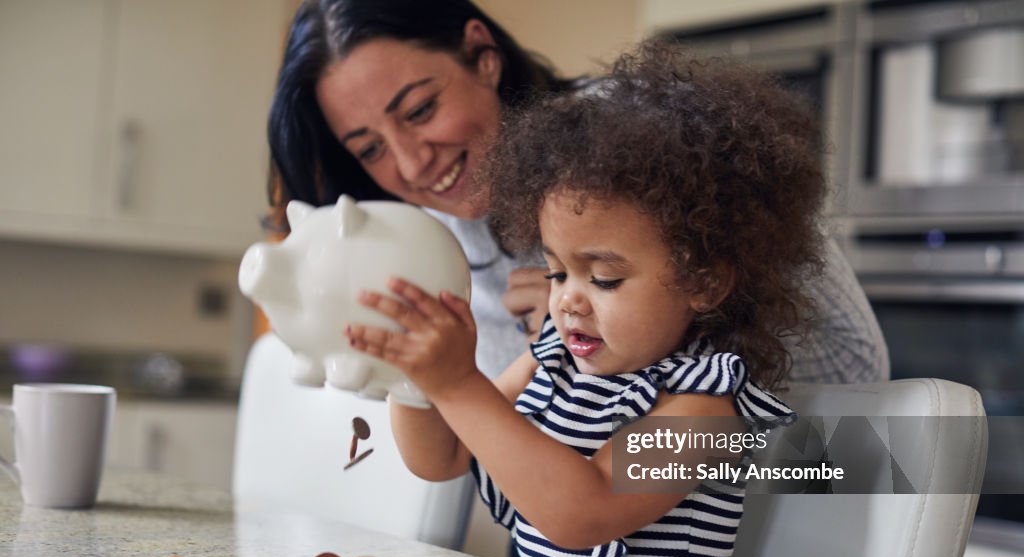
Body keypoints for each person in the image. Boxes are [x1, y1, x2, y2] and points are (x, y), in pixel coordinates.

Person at [343, 41, 827, 557]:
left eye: (604, 278)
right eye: (556, 271)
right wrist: (415, 379)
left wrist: (459, 384)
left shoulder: (705, 412)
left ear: (704, 283)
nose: (567, 298)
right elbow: (441, 456)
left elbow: (583, 513)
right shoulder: (550, 361)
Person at [266, 0, 889, 384]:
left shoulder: (641, 145)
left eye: (421, 108)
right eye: (369, 147)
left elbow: (856, 377)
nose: (410, 161)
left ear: (482, 55)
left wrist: (636, 345)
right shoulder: (439, 237)